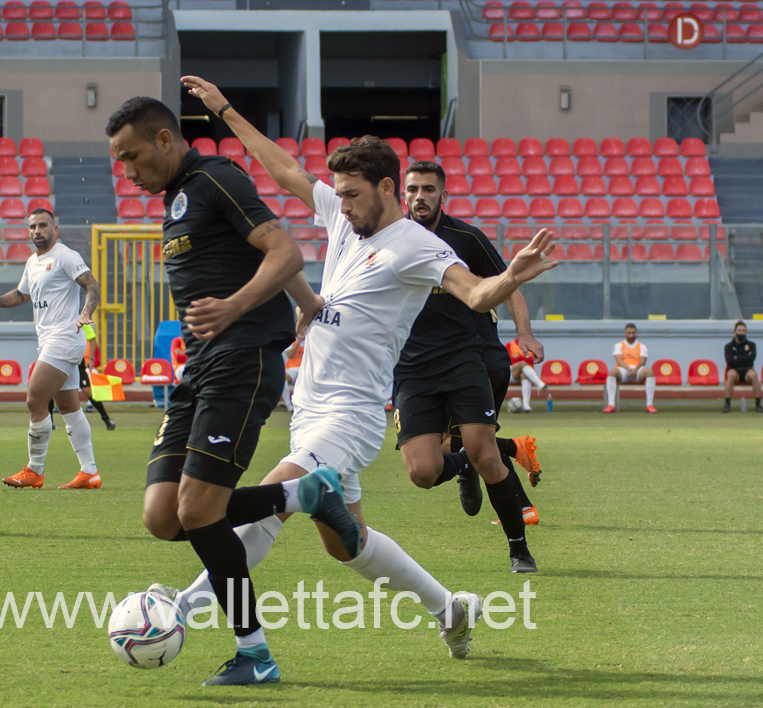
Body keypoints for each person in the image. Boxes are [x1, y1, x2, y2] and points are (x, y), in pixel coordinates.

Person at [158, 75, 556, 682]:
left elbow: (476, 294)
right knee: (347, 543)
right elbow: (287, 171)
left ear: (386, 189)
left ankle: (177, 613)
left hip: (352, 412)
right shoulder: (350, 223)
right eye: (338, 194)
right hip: (310, 406)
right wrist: (225, 111)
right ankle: (448, 607)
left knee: (271, 505)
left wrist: (513, 279)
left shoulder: (416, 246)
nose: (338, 206)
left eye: (349, 194)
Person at [107, 95, 323, 686]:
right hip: (198, 370)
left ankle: (255, 654)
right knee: (163, 516)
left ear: (164, 139)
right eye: (120, 163)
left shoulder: (216, 178)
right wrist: (308, 303)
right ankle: (302, 495)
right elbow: (265, 256)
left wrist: (234, 307)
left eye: (133, 157)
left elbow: (284, 249)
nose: (129, 172)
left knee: (198, 510)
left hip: (242, 359)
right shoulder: (177, 203)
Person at [397, 161, 541, 570]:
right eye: (412, 190)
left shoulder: (466, 238)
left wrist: (524, 333)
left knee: (487, 454)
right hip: (411, 368)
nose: (419, 197)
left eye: (428, 189)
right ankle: (463, 463)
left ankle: (519, 549)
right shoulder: (386, 239)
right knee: (423, 472)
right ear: (401, 195)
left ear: (444, 196)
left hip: (464, 357)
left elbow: (508, 282)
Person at [0, 209, 104, 490]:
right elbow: (21, 295)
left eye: (43, 225)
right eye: (32, 227)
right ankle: (89, 472)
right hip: (49, 340)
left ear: (55, 229)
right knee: (68, 406)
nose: (37, 231)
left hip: (66, 337)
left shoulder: (66, 256)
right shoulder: (33, 261)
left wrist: (86, 312)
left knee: (34, 399)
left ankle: (34, 470)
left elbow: (92, 285)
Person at [603, 323, 656, 413]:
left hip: (637, 371)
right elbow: (619, 361)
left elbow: (643, 362)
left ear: (636, 333)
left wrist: (635, 369)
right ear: (625, 333)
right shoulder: (618, 345)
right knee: (612, 372)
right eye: (629, 333)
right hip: (623, 370)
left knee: (650, 372)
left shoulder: (642, 346)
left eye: (633, 333)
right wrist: (629, 369)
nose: (631, 335)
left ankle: (649, 405)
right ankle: (611, 404)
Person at [77, 323, 116, 429]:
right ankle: (51, 422)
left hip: (77, 360)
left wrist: (90, 358)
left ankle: (106, 418)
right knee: (51, 389)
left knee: (87, 390)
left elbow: (92, 339)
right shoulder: (56, 320)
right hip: (60, 359)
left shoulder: (79, 321)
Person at [723, 320, 763, 413]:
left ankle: (758, 404)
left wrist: (736, 358)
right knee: (731, 375)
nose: (741, 333)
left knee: (754, 375)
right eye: (739, 330)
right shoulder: (728, 347)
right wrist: (745, 357)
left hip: (747, 371)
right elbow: (729, 361)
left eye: (743, 331)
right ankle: (727, 404)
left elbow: (752, 358)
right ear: (735, 332)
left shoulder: (751, 345)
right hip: (734, 370)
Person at [507, 338, 548, 412]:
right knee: (523, 363)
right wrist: (523, 359)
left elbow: (533, 360)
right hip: (511, 373)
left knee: (524, 374)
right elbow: (509, 359)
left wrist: (519, 357)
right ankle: (539, 383)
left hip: (525, 373)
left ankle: (526, 405)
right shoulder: (509, 345)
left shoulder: (530, 347)